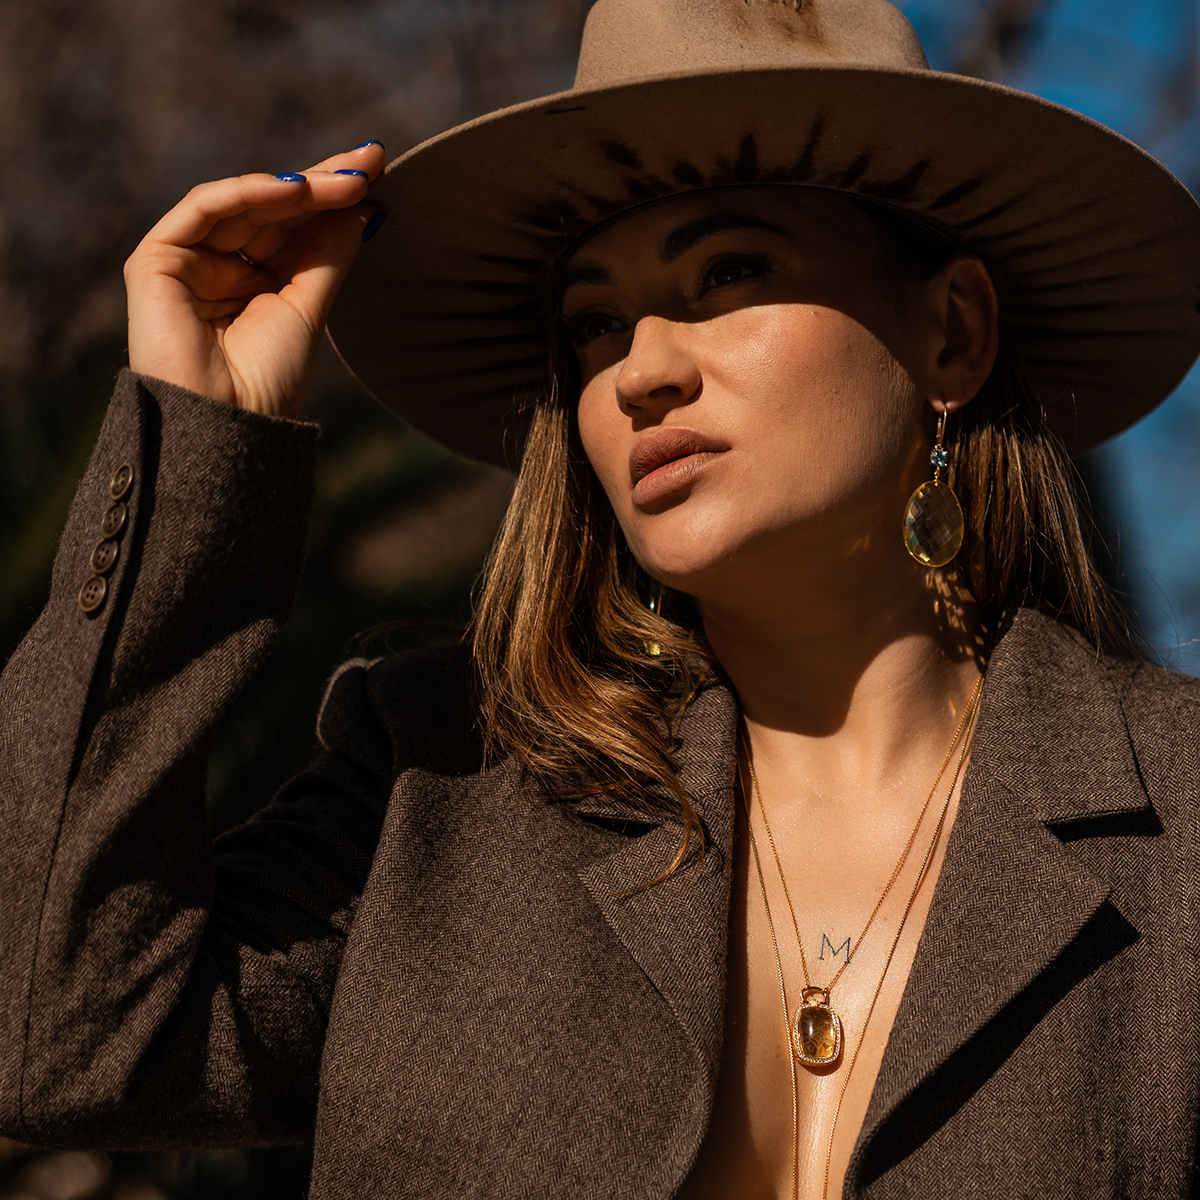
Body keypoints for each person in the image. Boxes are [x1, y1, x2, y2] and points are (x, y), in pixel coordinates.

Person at [2, 0, 1199, 1197]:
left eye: (729, 272)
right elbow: (56, 1041)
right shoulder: (433, 793)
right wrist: (201, 456)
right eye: (595, 322)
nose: (643, 369)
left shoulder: (1180, 824)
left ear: (953, 334)